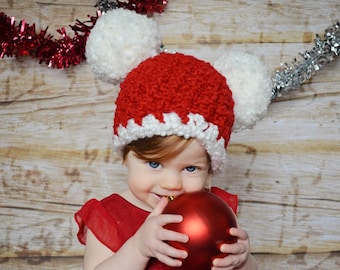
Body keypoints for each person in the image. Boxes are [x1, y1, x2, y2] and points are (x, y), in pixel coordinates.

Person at [75, 52, 258, 270]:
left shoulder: (215, 213)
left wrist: (243, 262)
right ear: (126, 156)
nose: (172, 184)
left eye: (191, 168)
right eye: (155, 164)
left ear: (210, 168)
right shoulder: (109, 217)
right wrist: (138, 248)